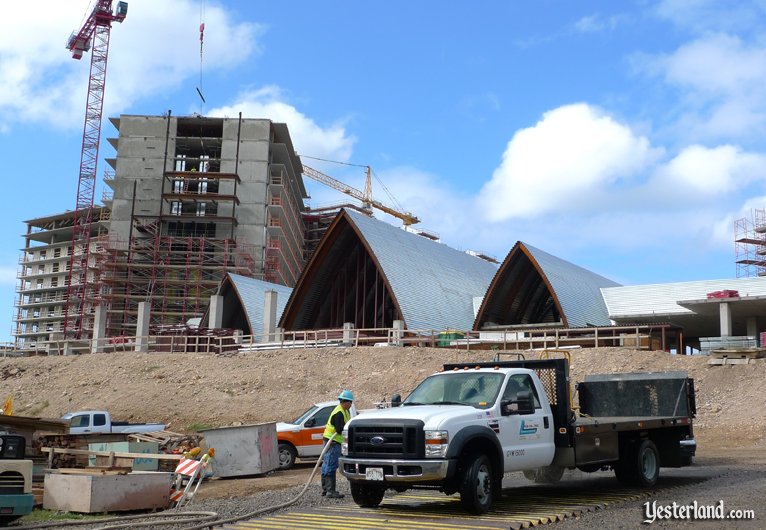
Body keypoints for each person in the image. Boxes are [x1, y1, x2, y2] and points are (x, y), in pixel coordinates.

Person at [321, 390, 354, 498]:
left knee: (326, 464)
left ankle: (326, 489)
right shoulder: (339, 412)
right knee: (330, 464)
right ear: (346, 402)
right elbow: (340, 429)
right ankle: (330, 491)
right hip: (333, 442)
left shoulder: (343, 410)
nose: (351, 405)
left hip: (331, 441)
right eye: (350, 402)